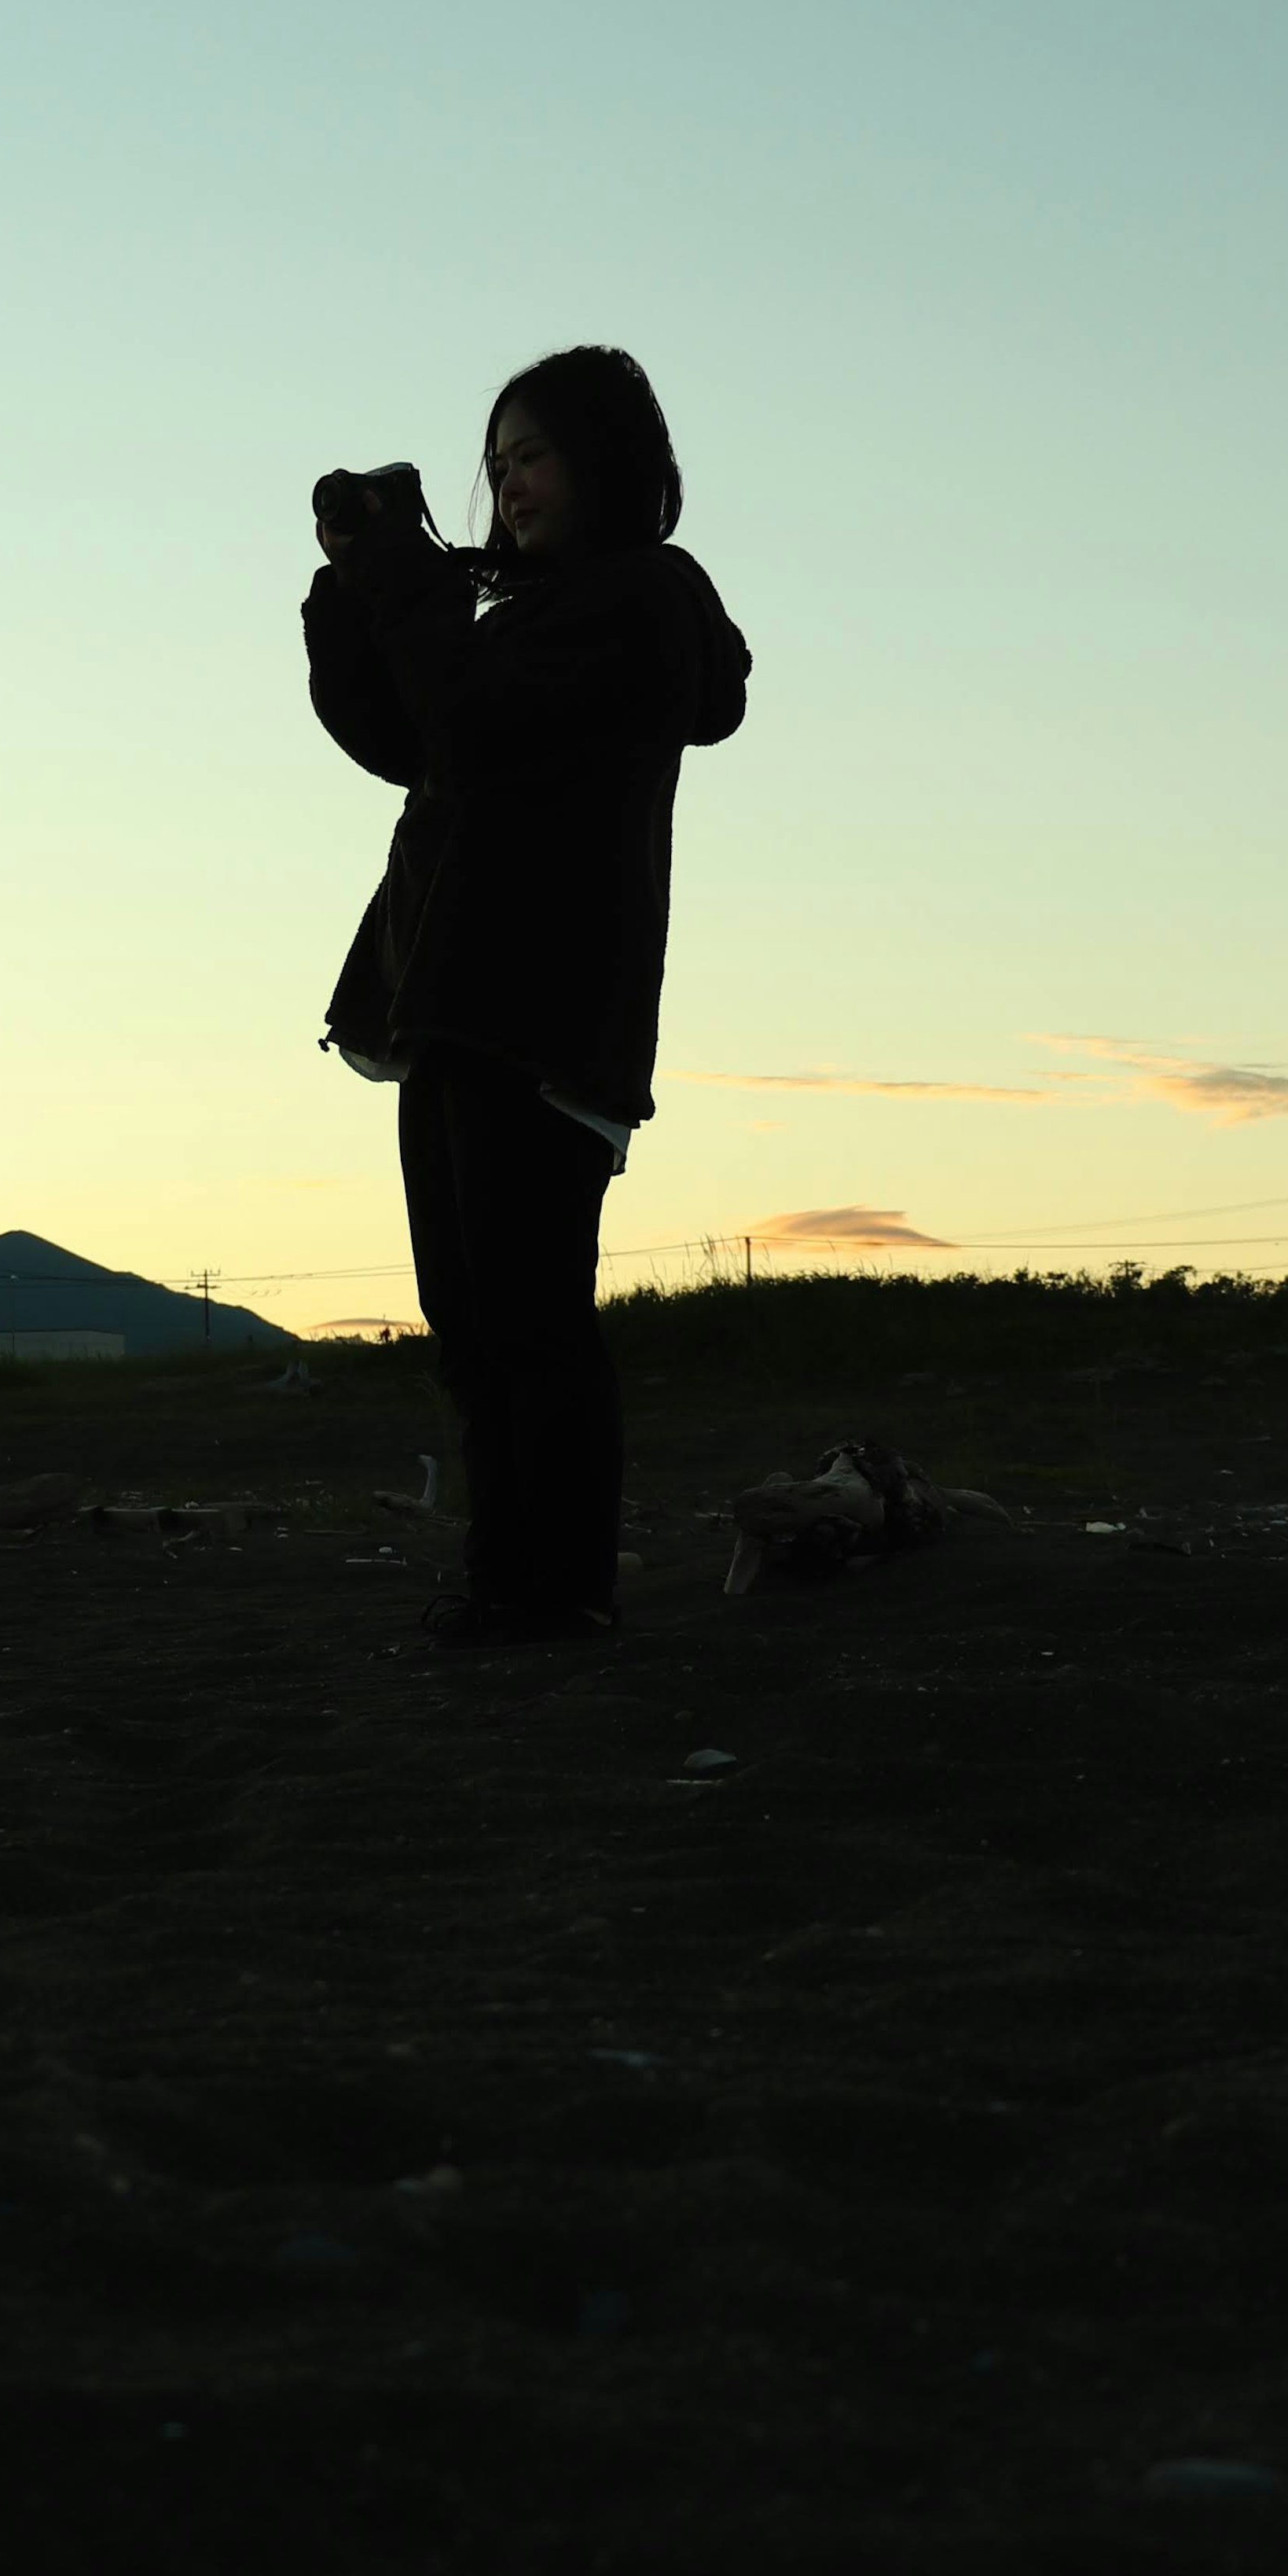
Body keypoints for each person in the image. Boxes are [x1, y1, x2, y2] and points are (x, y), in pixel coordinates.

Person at [304, 346, 750, 1644]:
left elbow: (478, 725)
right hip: (445, 995)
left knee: (532, 1312)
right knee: (467, 1317)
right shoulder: (521, 618)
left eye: (533, 455)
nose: (507, 486)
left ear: (606, 459)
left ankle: (562, 1593)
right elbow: (410, 735)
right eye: (494, 464)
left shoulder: (643, 603)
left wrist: (406, 581)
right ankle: (508, 1581)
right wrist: (354, 589)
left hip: (544, 1008)